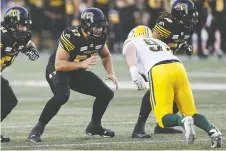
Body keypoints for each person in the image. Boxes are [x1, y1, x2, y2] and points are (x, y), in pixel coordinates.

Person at [122, 25, 223, 148]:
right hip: (178, 67)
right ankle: (213, 131)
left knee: (163, 118)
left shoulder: (133, 41)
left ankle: (183, 121)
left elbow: (130, 49)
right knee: (191, 112)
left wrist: (133, 71)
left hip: (159, 70)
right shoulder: (158, 42)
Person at [28, 8, 118, 142]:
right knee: (62, 95)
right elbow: (59, 64)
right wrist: (82, 65)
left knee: (106, 93)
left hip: (77, 70)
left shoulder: (100, 37)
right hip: (58, 69)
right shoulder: (72, 35)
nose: (99, 30)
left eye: (101, 27)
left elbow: (105, 55)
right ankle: (38, 129)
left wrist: (111, 73)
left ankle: (94, 126)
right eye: (96, 27)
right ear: (86, 26)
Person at [132, 0, 199, 138]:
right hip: (153, 61)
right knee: (153, 92)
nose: (193, 18)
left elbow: (177, 37)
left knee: (175, 91)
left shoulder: (186, 25)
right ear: (181, 14)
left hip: (167, 62)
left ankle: (162, 126)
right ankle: (138, 127)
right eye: (190, 14)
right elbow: (151, 43)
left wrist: (184, 45)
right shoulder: (167, 22)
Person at [1, 6, 39, 142]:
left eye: (25, 26)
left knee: (9, 101)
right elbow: (12, 44)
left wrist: (30, 49)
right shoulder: (2, 36)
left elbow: (26, 42)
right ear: (11, 24)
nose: (24, 29)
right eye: (21, 26)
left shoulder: (14, 35)